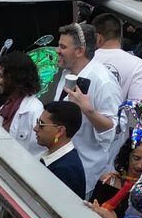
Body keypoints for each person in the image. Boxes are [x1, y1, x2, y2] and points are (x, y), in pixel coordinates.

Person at [52, 22, 122, 195]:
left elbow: (115, 129)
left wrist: (88, 110)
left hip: (83, 169)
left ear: (80, 51)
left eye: (62, 46)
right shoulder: (65, 73)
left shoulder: (103, 81)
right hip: (58, 163)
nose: (57, 50)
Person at [0, 51, 46, 157]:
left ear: (14, 78)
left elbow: (37, 154)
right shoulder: (6, 106)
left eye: (1, 76)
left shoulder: (34, 110)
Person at [35, 101, 87, 198]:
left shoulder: (65, 171)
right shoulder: (58, 159)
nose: (35, 128)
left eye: (41, 124)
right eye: (37, 122)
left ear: (60, 131)